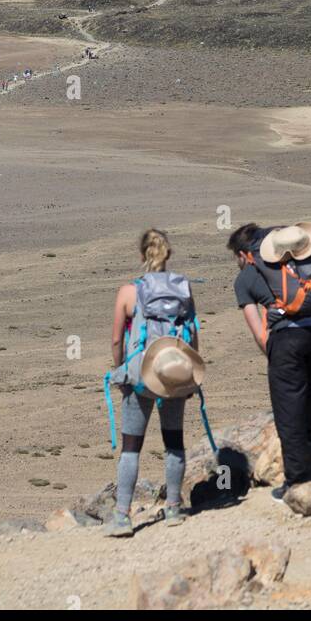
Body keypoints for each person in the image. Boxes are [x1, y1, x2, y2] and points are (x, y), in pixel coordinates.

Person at [228, 221, 311, 499]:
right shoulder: (307, 263)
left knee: (287, 407)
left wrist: (275, 353)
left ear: (244, 254)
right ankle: (310, 444)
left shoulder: (247, 277)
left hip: (286, 342)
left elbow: (258, 330)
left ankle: (296, 480)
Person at [105, 229, 201, 538]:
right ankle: (173, 508)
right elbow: (193, 334)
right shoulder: (183, 288)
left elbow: (117, 338)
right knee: (174, 441)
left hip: (140, 376)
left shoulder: (128, 292)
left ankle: (122, 516)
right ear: (168, 254)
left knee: (131, 447)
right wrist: (189, 372)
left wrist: (121, 371)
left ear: (141, 255)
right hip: (173, 371)